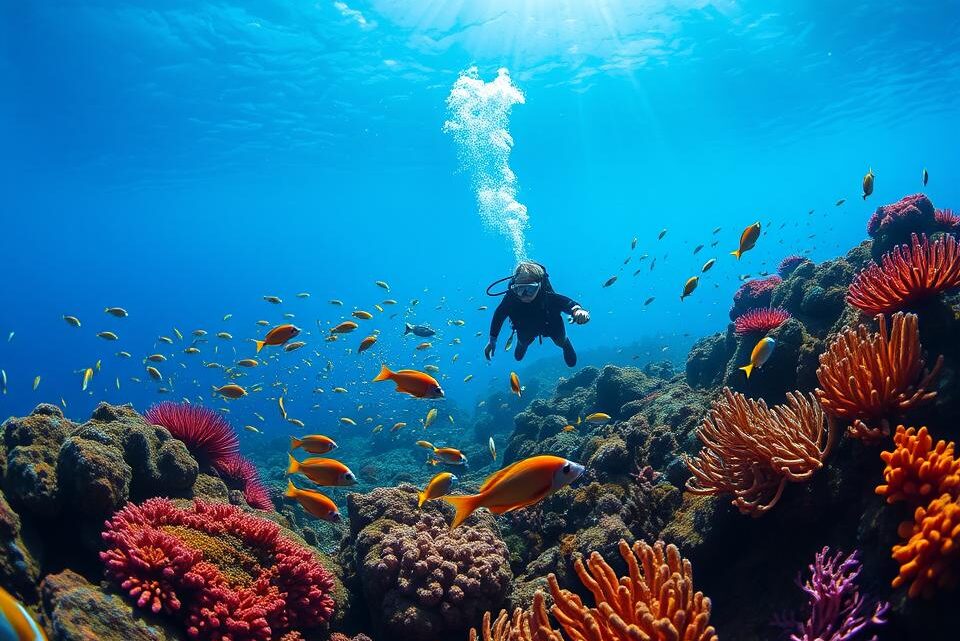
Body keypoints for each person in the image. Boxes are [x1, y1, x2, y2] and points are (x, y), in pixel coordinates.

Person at [484, 261, 589, 367]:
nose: (524, 294)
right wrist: (492, 339)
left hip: (551, 322)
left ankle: (565, 343)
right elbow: (499, 315)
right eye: (519, 288)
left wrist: (578, 311)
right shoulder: (511, 298)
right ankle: (522, 344)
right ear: (514, 286)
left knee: (561, 341)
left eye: (530, 288)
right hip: (525, 326)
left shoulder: (547, 296)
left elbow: (566, 303)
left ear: (539, 285)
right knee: (522, 345)